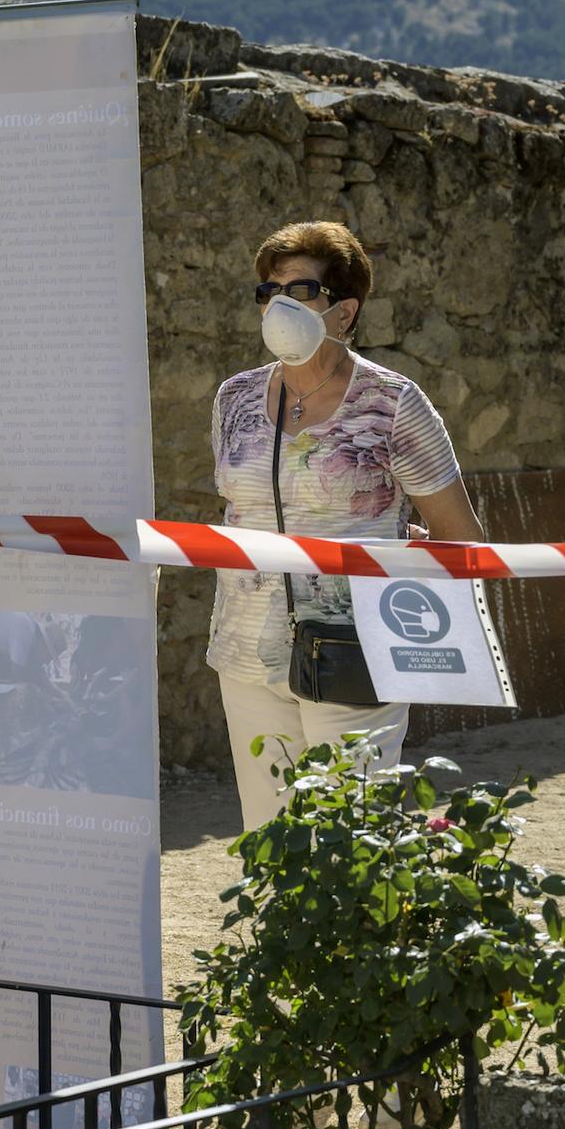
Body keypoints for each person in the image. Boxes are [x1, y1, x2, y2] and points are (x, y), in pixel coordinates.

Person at [207, 221, 483, 831]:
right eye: (268, 291)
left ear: (344, 309)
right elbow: (237, 510)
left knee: (348, 837)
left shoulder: (394, 401)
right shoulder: (235, 398)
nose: (278, 306)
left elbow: (462, 537)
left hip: (354, 650)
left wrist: (405, 560)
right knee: (268, 834)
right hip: (245, 650)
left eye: (299, 291)